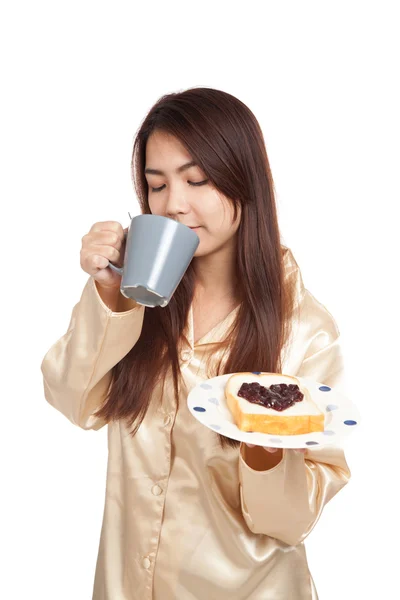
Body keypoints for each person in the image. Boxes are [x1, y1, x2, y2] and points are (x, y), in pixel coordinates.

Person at [41, 87, 351, 600]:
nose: (173, 205)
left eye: (197, 180)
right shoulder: (136, 296)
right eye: (156, 185)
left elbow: (291, 524)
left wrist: (266, 451)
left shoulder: (305, 328)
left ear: (243, 181)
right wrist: (108, 296)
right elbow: (75, 404)